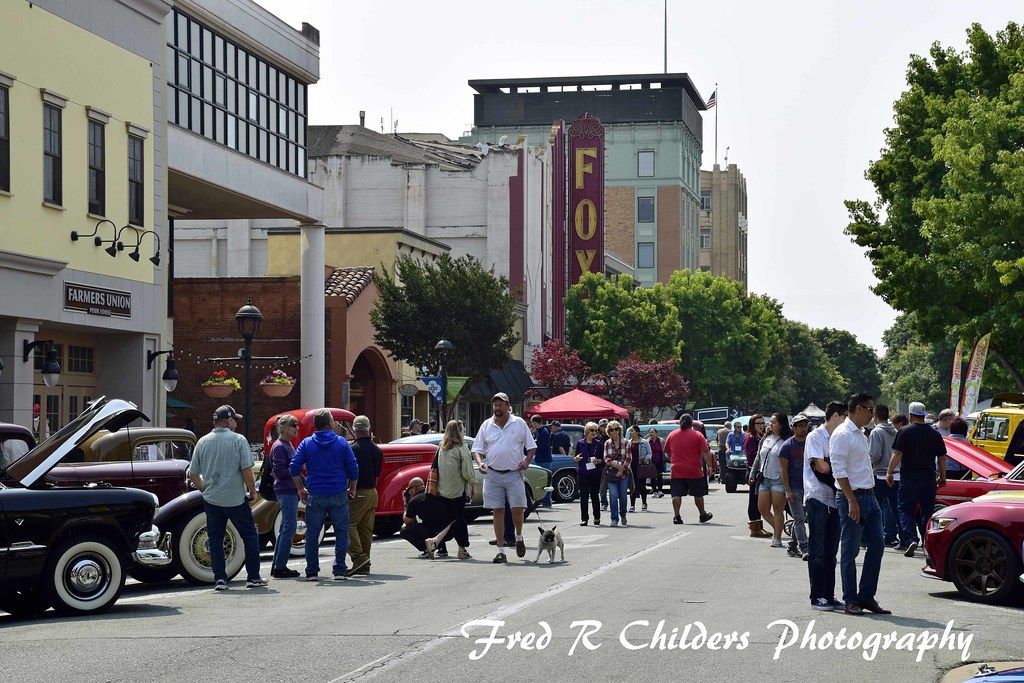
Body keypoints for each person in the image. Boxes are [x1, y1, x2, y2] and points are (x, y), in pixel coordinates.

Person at [188, 405, 267, 590]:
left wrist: (204, 489)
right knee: (250, 535)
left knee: (215, 538)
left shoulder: (203, 441)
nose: (237, 423)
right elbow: (246, 470)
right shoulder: (239, 440)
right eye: (235, 420)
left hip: (212, 498)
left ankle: (220, 579)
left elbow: (193, 473)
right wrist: (252, 491)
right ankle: (253, 577)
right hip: (235, 498)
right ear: (228, 420)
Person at [832, 393, 891, 616]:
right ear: (857, 409)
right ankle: (851, 599)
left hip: (869, 496)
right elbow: (839, 471)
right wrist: (851, 500)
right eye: (869, 409)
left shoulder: (861, 434)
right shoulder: (842, 434)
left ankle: (867, 596)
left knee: (877, 546)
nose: (872, 414)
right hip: (852, 497)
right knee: (850, 550)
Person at [290, 409, 360, 581]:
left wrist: (300, 489)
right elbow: (353, 467)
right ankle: (339, 570)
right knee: (341, 533)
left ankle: (312, 571)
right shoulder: (342, 442)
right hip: (338, 493)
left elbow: (294, 467)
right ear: (329, 423)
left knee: (313, 534)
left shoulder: (307, 443)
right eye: (333, 421)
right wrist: (352, 488)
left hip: (315, 493)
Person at [471, 392, 537, 564]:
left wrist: (527, 461)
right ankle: (501, 550)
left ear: (508, 406)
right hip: (492, 474)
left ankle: (519, 536)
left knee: (517, 510)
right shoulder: (487, 425)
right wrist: (480, 463)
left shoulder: (519, 423)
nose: (497, 408)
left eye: (501, 405)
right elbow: (476, 449)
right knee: (497, 511)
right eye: (495, 405)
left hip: (514, 473)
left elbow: (531, 447)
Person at [887, 401, 947, 559]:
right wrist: (942, 476)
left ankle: (911, 538)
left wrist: (889, 472)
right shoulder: (935, 434)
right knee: (927, 510)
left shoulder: (904, 431)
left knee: (905, 509)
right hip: (928, 478)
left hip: (909, 477)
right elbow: (942, 457)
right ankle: (927, 540)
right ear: (924, 415)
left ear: (910, 415)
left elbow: (897, 453)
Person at [804, 401, 846, 611]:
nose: (846, 422)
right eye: (845, 417)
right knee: (817, 550)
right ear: (836, 416)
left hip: (837, 499)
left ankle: (829, 595)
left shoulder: (840, 438)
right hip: (818, 498)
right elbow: (820, 465)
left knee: (831, 552)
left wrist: (834, 467)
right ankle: (817, 596)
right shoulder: (815, 436)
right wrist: (839, 469)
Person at [348, 415, 383, 576]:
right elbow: (377, 474)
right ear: (368, 429)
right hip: (372, 492)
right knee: (366, 530)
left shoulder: (352, 448)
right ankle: (364, 563)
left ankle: (359, 558)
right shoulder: (377, 449)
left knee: (345, 524)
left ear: (354, 430)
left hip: (358, 491)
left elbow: (349, 473)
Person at [436, 419, 476, 560]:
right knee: (458, 520)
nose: (464, 431)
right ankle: (458, 548)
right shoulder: (461, 448)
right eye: (462, 429)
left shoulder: (441, 448)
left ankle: (442, 547)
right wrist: (473, 485)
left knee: (447, 518)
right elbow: (467, 471)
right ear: (458, 431)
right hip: (458, 490)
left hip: (442, 489)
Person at [752, 413, 793, 548]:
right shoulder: (766, 438)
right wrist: (753, 473)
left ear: (781, 425)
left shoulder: (787, 440)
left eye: (774, 422)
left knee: (777, 509)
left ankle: (777, 538)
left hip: (779, 480)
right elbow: (758, 457)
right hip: (764, 478)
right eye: (771, 422)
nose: (770, 424)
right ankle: (784, 530)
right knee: (763, 509)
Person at [664, 414, 714, 525]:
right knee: (698, 494)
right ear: (691, 423)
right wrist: (710, 466)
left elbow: (667, 450)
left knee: (676, 494)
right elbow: (705, 452)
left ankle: (677, 516)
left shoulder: (672, 435)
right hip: (693, 469)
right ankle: (702, 514)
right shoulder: (697, 435)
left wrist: (673, 459)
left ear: (680, 423)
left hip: (676, 469)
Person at [269, 414, 301, 578]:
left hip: (288, 490)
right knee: (289, 527)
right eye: (293, 425)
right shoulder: (280, 446)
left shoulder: (286, 444)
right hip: (286, 490)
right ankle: (280, 567)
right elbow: (279, 472)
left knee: (285, 528)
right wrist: (295, 468)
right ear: (283, 428)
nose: (297, 428)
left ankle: (277, 565)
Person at [868, 405, 901, 549]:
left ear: (875, 415)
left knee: (875, 509)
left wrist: (868, 465)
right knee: (896, 509)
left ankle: (873, 537)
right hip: (897, 474)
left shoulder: (876, 432)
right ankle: (904, 538)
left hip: (880, 475)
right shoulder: (896, 431)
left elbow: (874, 454)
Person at [399, 477, 455, 557]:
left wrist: (405, 503)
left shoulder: (415, 500)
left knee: (404, 530)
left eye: (409, 490)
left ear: (414, 488)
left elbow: (407, 521)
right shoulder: (437, 494)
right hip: (448, 532)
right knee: (434, 522)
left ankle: (426, 549)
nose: (409, 492)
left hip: (432, 532)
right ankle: (442, 548)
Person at [780, 414, 810, 560]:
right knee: (799, 518)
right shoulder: (787, 446)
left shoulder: (811, 443)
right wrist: (787, 490)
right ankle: (804, 547)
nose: (803, 428)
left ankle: (792, 545)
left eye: (805, 425)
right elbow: (783, 470)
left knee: (802, 517)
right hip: (794, 488)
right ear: (794, 428)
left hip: (809, 488)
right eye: (800, 426)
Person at [744, 415, 772, 538]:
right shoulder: (751, 439)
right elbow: (753, 457)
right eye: (757, 423)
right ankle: (755, 528)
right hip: (753, 472)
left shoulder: (761, 437)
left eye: (762, 423)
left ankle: (758, 527)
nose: (761, 425)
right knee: (754, 500)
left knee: (758, 500)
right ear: (752, 425)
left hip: (761, 472)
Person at [603, 420, 631, 527]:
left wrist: (622, 469)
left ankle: (623, 514)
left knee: (623, 496)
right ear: (609, 431)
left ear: (619, 430)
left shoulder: (626, 443)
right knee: (613, 496)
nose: (614, 431)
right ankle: (614, 518)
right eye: (612, 430)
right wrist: (617, 466)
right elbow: (606, 458)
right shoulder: (607, 443)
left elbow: (629, 459)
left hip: (624, 474)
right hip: (611, 473)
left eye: (616, 429)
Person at [574, 422, 602, 526]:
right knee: (584, 496)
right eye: (592, 430)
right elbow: (575, 456)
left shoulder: (598, 444)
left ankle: (597, 517)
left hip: (595, 472)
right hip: (583, 472)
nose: (594, 433)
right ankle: (584, 518)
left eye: (595, 431)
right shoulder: (580, 443)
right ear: (586, 431)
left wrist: (598, 461)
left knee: (595, 495)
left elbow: (602, 459)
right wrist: (576, 459)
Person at [530, 415, 553, 508]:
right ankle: (541, 499)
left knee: (545, 481)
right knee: (539, 480)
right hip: (539, 458)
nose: (531, 425)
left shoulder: (544, 432)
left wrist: (536, 444)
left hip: (545, 459)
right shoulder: (538, 432)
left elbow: (544, 446)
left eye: (532, 422)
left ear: (536, 422)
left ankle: (547, 501)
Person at [628, 424, 652, 512]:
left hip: (641, 466)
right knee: (632, 486)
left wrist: (645, 458)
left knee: (642, 486)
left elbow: (649, 453)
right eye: (630, 431)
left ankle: (644, 503)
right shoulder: (629, 443)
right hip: (631, 466)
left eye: (632, 431)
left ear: (637, 432)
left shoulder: (644, 442)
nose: (630, 432)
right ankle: (632, 505)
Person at [596, 419, 610, 510]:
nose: (604, 428)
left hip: (611, 463)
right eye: (602, 426)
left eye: (606, 426)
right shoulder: (597, 437)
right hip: (600, 463)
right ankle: (604, 502)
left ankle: (615, 502)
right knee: (602, 485)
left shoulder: (612, 436)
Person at [647, 427, 665, 497]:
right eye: (650, 432)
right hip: (651, 462)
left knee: (660, 476)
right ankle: (654, 490)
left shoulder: (661, 441)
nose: (651, 434)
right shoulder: (647, 441)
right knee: (652, 477)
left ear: (656, 433)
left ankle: (660, 491)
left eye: (653, 432)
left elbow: (664, 451)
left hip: (659, 461)